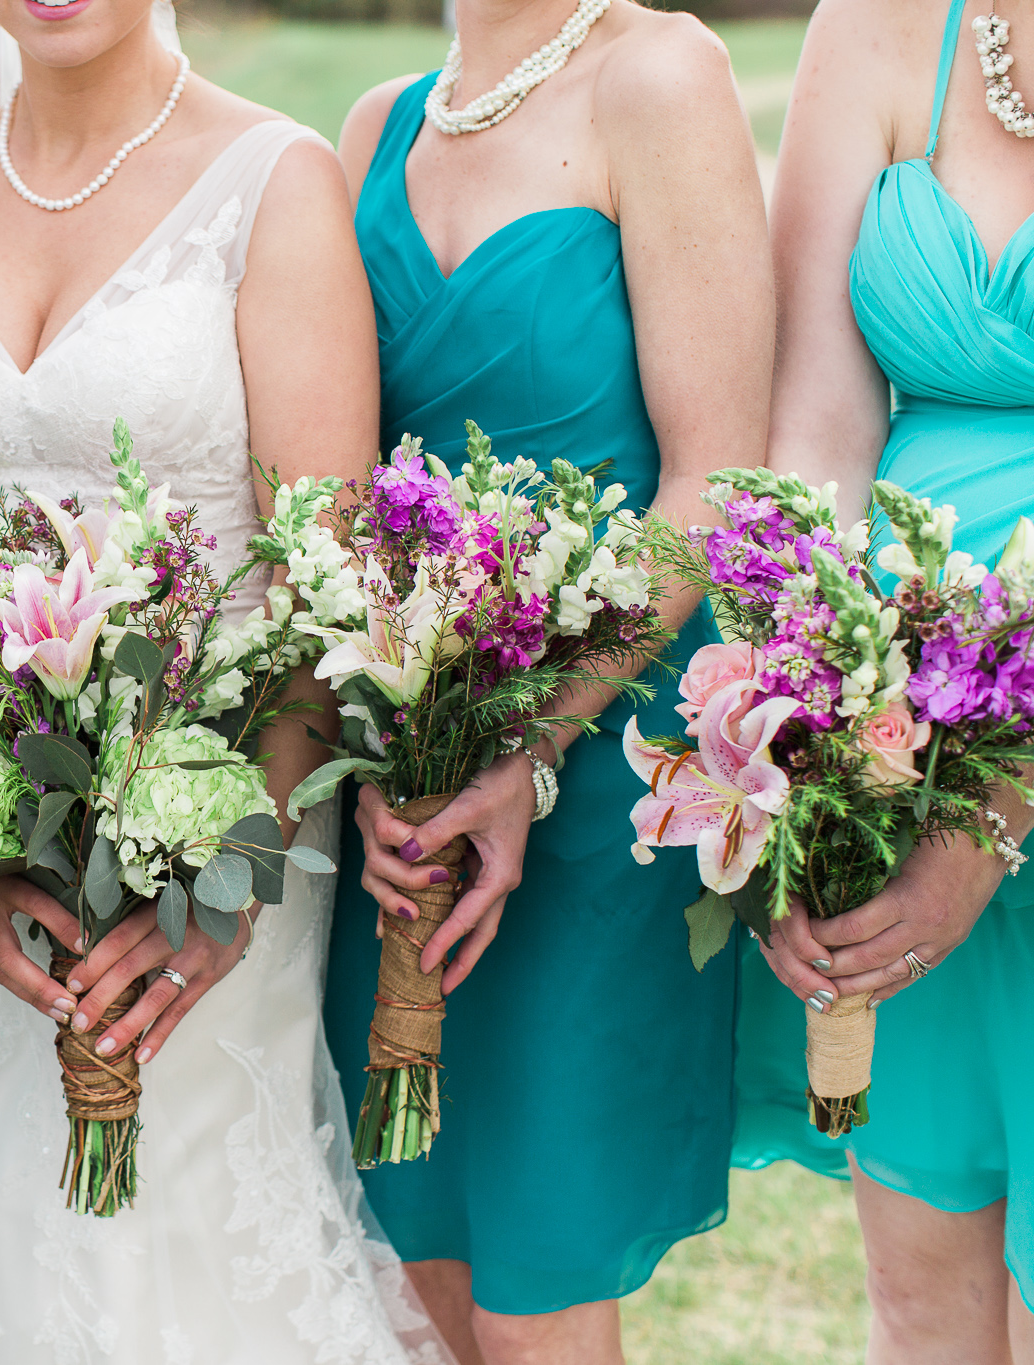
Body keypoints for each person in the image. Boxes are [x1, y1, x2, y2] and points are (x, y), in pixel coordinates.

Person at [0, 3, 454, 1361]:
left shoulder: (274, 183)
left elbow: (317, 590)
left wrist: (227, 886)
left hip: (226, 839)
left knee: (183, 1259)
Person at [330, 2, 773, 1361]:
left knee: (540, 1313)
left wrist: (525, 746)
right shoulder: (376, 127)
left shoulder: (658, 77)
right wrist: (383, 746)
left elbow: (714, 484)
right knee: (412, 1294)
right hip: (404, 790)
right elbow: (341, 494)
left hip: (595, 781)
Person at [741, 0, 1034, 1356]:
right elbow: (815, 427)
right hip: (900, 727)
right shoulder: (874, 27)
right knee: (922, 1288)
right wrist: (809, 741)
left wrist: (1000, 801)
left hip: (991, 766)